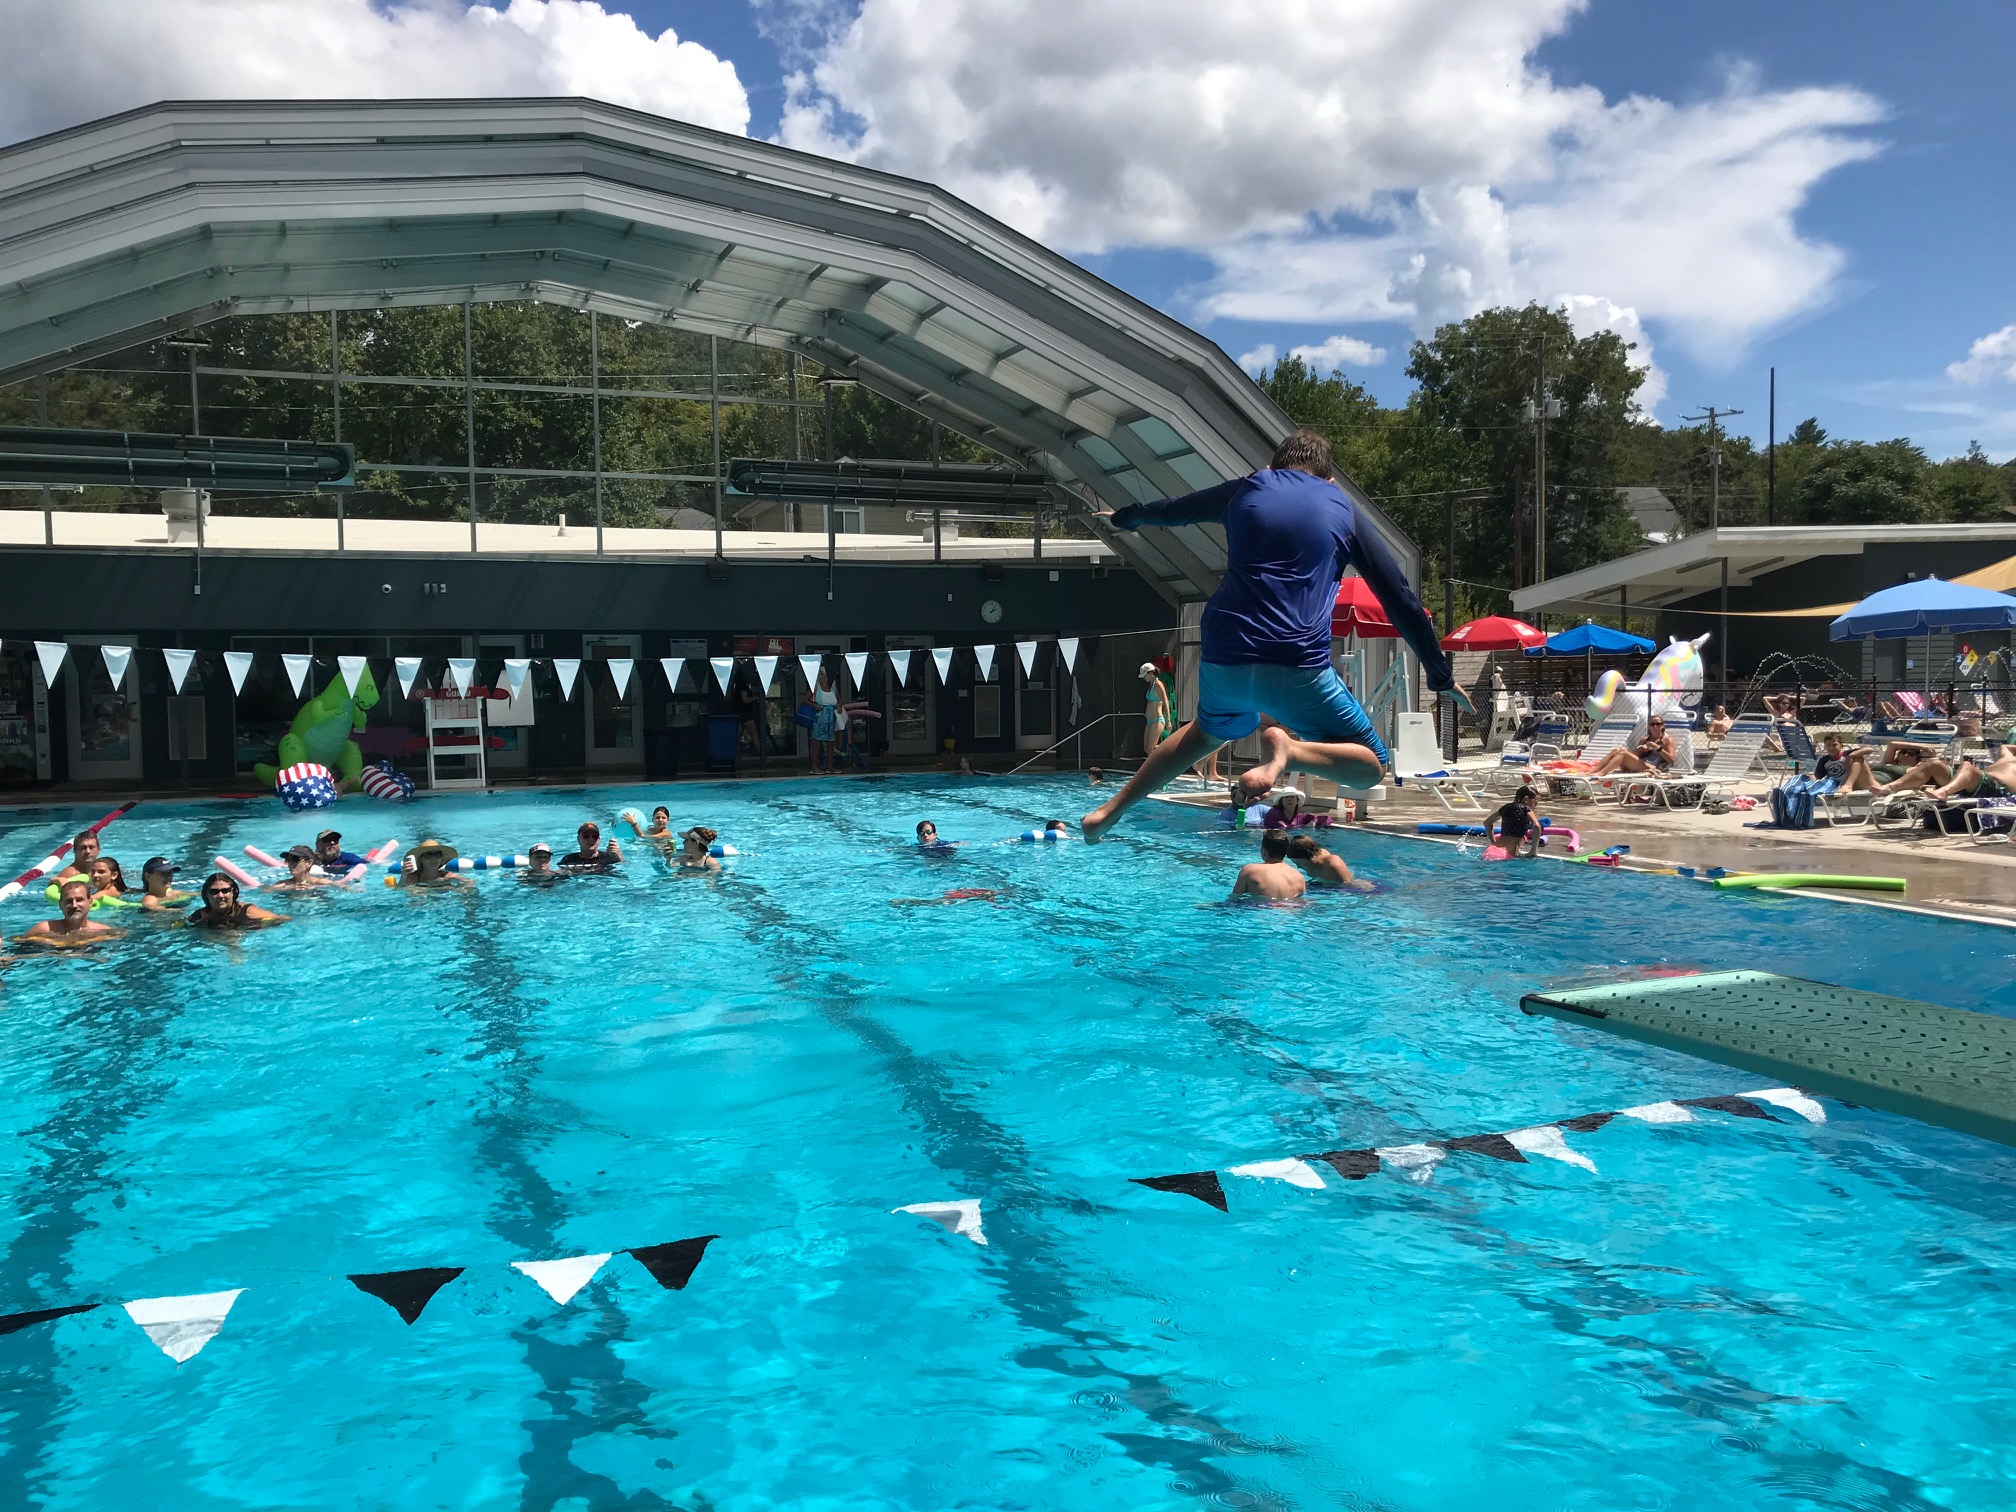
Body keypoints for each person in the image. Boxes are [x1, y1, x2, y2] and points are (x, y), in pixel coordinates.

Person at [1083, 428, 1466, 842]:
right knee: (1371, 764)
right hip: (1296, 663)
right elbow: (1401, 600)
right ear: (1328, 479)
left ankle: (1112, 808)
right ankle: (1290, 750)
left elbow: (1174, 511)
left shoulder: (1248, 487)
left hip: (1223, 651)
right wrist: (1440, 677)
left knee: (1206, 733)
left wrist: (1126, 517)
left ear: (1273, 467)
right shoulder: (1343, 507)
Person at [21, 878, 122, 944]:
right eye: (69, 901)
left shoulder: (105, 932)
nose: (74, 905)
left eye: (79, 900)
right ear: (61, 904)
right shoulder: (43, 929)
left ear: (90, 903)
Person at [188, 873, 287, 929]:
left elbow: (282, 919)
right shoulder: (199, 917)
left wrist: (254, 925)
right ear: (206, 894)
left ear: (233, 892)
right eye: (214, 891)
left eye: (225, 890)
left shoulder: (246, 911)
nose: (220, 896)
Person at [1589, 716, 1676, 779]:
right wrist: (1641, 750)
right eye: (1652, 724)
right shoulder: (1645, 739)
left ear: (1662, 726)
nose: (1655, 726)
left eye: (1658, 724)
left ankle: (1602, 773)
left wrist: (1658, 748)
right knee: (1616, 750)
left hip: (1652, 767)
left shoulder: (1667, 740)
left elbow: (1671, 760)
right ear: (1649, 726)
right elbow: (1635, 756)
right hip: (1640, 764)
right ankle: (1592, 772)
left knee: (1623, 751)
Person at [1232, 828, 1307, 900]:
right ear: (1286, 851)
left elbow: (1235, 898)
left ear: (1264, 851)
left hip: (1262, 909)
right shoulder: (1299, 876)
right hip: (1290, 909)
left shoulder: (1249, 870)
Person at [1285, 833, 1374, 891]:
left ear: (1309, 856)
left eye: (1299, 863)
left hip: (1357, 889)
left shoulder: (1333, 864)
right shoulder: (1312, 861)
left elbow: (1346, 887)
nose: (1298, 867)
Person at [1924, 749, 2016, 803]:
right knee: (1933, 764)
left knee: (1967, 766)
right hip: (1972, 782)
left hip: (1999, 788)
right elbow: (2004, 747)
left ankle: (1945, 791)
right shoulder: (2008, 757)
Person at [1482, 785, 1544, 858]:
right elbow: (1536, 826)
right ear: (1526, 799)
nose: (1535, 806)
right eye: (1535, 802)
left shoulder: (1506, 807)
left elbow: (1487, 823)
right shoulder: (1526, 809)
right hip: (1504, 855)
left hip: (1490, 850)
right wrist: (1533, 851)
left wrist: (1493, 842)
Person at [269, 845, 346, 892]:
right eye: (288, 860)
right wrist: (291, 888)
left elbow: (343, 887)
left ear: (308, 863)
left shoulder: (319, 882)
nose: (291, 863)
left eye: (295, 859)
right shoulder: (283, 884)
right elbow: (265, 890)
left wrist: (314, 888)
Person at [810, 666, 841, 775]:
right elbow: (804, 701)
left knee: (830, 743)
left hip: (830, 718)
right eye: (819, 675)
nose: (820, 677)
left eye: (822, 675)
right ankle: (814, 766)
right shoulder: (816, 688)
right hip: (820, 717)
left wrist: (838, 707)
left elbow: (838, 702)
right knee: (817, 743)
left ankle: (830, 766)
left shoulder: (833, 689)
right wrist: (814, 705)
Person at [1139, 662, 1173, 755]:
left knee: (1150, 749)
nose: (1144, 678)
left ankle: (1153, 767)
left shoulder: (1158, 684)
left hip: (1157, 720)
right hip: (1149, 720)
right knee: (1146, 748)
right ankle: (1163, 751)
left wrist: (1168, 720)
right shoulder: (1151, 684)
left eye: (1145, 675)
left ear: (1150, 673)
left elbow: (1165, 701)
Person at [400, 838, 464, 886]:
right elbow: (400, 888)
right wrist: (403, 876)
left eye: (437, 855)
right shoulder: (415, 877)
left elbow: (468, 882)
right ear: (421, 859)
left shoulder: (446, 875)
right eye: (429, 855)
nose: (434, 859)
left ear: (441, 858)